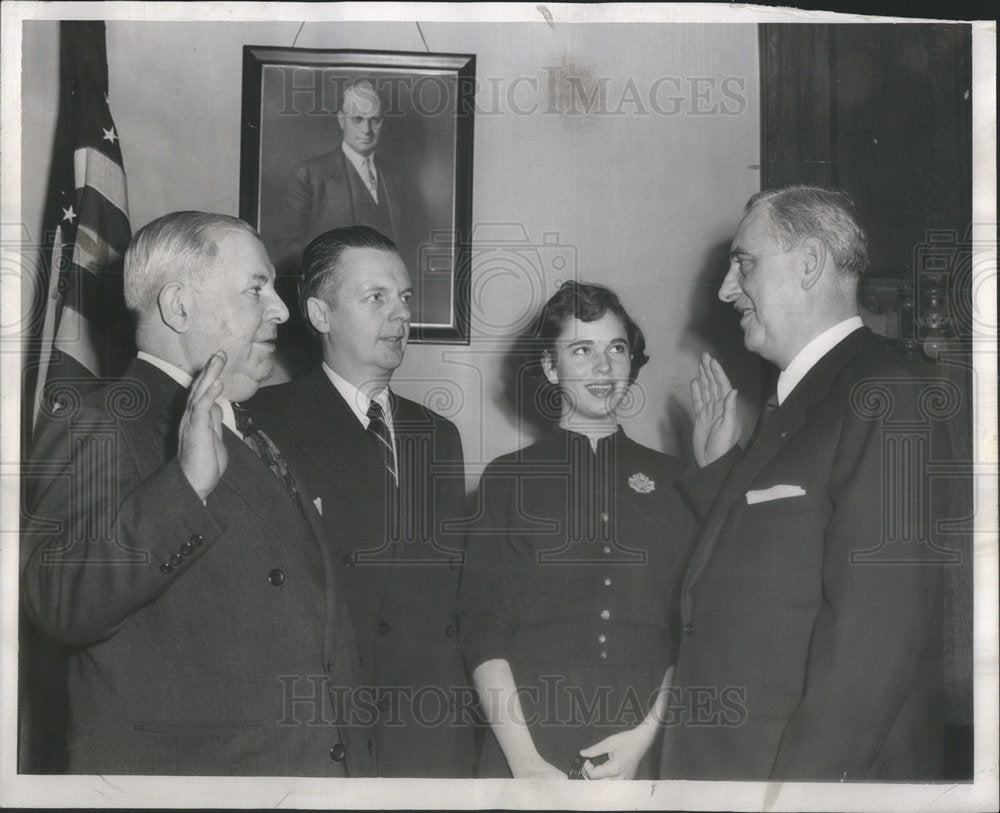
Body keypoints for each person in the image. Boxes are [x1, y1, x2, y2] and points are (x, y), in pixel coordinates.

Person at [21, 212, 368, 776]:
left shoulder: (250, 426)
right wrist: (183, 487)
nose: (281, 310)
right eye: (257, 289)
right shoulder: (100, 423)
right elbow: (60, 602)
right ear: (179, 306)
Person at [661, 185, 953, 781]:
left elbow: (874, 642)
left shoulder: (885, 393)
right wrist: (720, 472)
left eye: (743, 263)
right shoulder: (793, 401)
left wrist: (799, 797)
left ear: (811, 263)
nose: (724, 290)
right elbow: (776, 578)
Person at [457, 281, 731, 780]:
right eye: (582, 350)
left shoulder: (675, 479)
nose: (604, 368)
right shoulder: (507, 479)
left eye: (617, 348)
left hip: (645, 740)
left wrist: (646, 739)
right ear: (549, 366)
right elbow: (482, 626)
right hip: (526, 742)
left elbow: (696, 627)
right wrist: (525, 763)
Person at [247, 225, 474, 777]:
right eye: (376, 298)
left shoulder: (438, 433)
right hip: (328, 725)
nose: (401, 315)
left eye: (405, 298)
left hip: (432, 733)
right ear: (320, 315)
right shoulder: (266, 421)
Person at [271, 78, 402, 274]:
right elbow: (285, 248)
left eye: (374, 120)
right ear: (341, 119)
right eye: (357, 119)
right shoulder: (308, 174)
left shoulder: (395, 177)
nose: (366, 130)